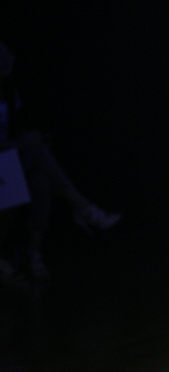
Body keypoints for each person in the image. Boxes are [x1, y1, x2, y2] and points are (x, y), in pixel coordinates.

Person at [0, 41, 121, 281]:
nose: (6, 60)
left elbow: (16, 131)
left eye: (7, 55)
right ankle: (84, 208)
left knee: (41, 180)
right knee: (31, 155)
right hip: (4, 162)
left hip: (9, 161)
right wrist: (21, 143)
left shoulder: (11, 94)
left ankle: (33, 254)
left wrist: (26, 140)